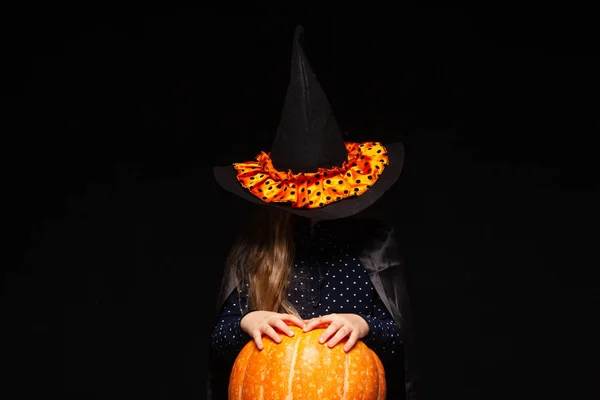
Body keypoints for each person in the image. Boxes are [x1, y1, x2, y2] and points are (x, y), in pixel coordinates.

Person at [209, 26, 418, 400]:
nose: (316, 211)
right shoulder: (256, 249)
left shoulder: (372, 244)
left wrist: (363, 323)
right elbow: (220, 342)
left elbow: (398, 337)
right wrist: (248, 320)